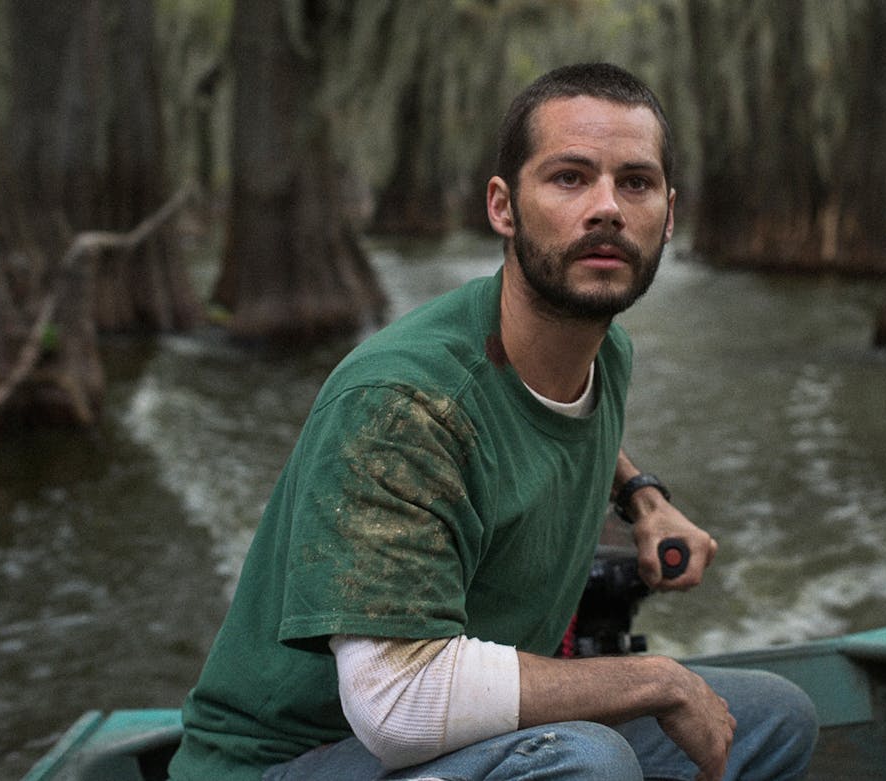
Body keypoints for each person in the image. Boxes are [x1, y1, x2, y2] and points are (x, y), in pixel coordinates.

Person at [168, 62, 817, 781]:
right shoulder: (400, 404)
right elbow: (398, 704)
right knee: (586, 761)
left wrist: (644, 497)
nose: (606, 207)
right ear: (503, 207)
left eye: (634, 182)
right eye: (570, 177)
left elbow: (553, 421)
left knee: (775, 716)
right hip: (289, 761)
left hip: (448, 746)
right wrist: (656, 679)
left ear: (669, 214)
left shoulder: (604, 353)